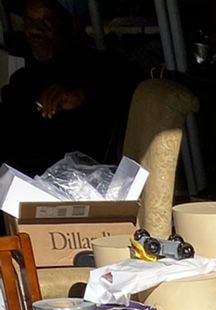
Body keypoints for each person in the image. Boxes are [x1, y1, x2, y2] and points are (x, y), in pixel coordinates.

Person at [1, 0, 130, 179]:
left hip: (79, 187)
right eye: (29, 22)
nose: (34, 30)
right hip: (17, 187)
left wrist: (83, 95)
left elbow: (132, 88)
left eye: (46, 21)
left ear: (72, 25)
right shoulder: (22, 80)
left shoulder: (103, 67)